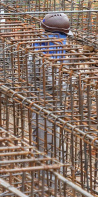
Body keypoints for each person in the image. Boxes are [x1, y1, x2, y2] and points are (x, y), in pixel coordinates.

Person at [29, 12, 71, 153]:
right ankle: (49, 174)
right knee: (48, 143)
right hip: (46, 107)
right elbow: (53, 82)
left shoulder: (47, 47)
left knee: (54, 141)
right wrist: (70, 82)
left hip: (52, 106)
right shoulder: (42, 55)